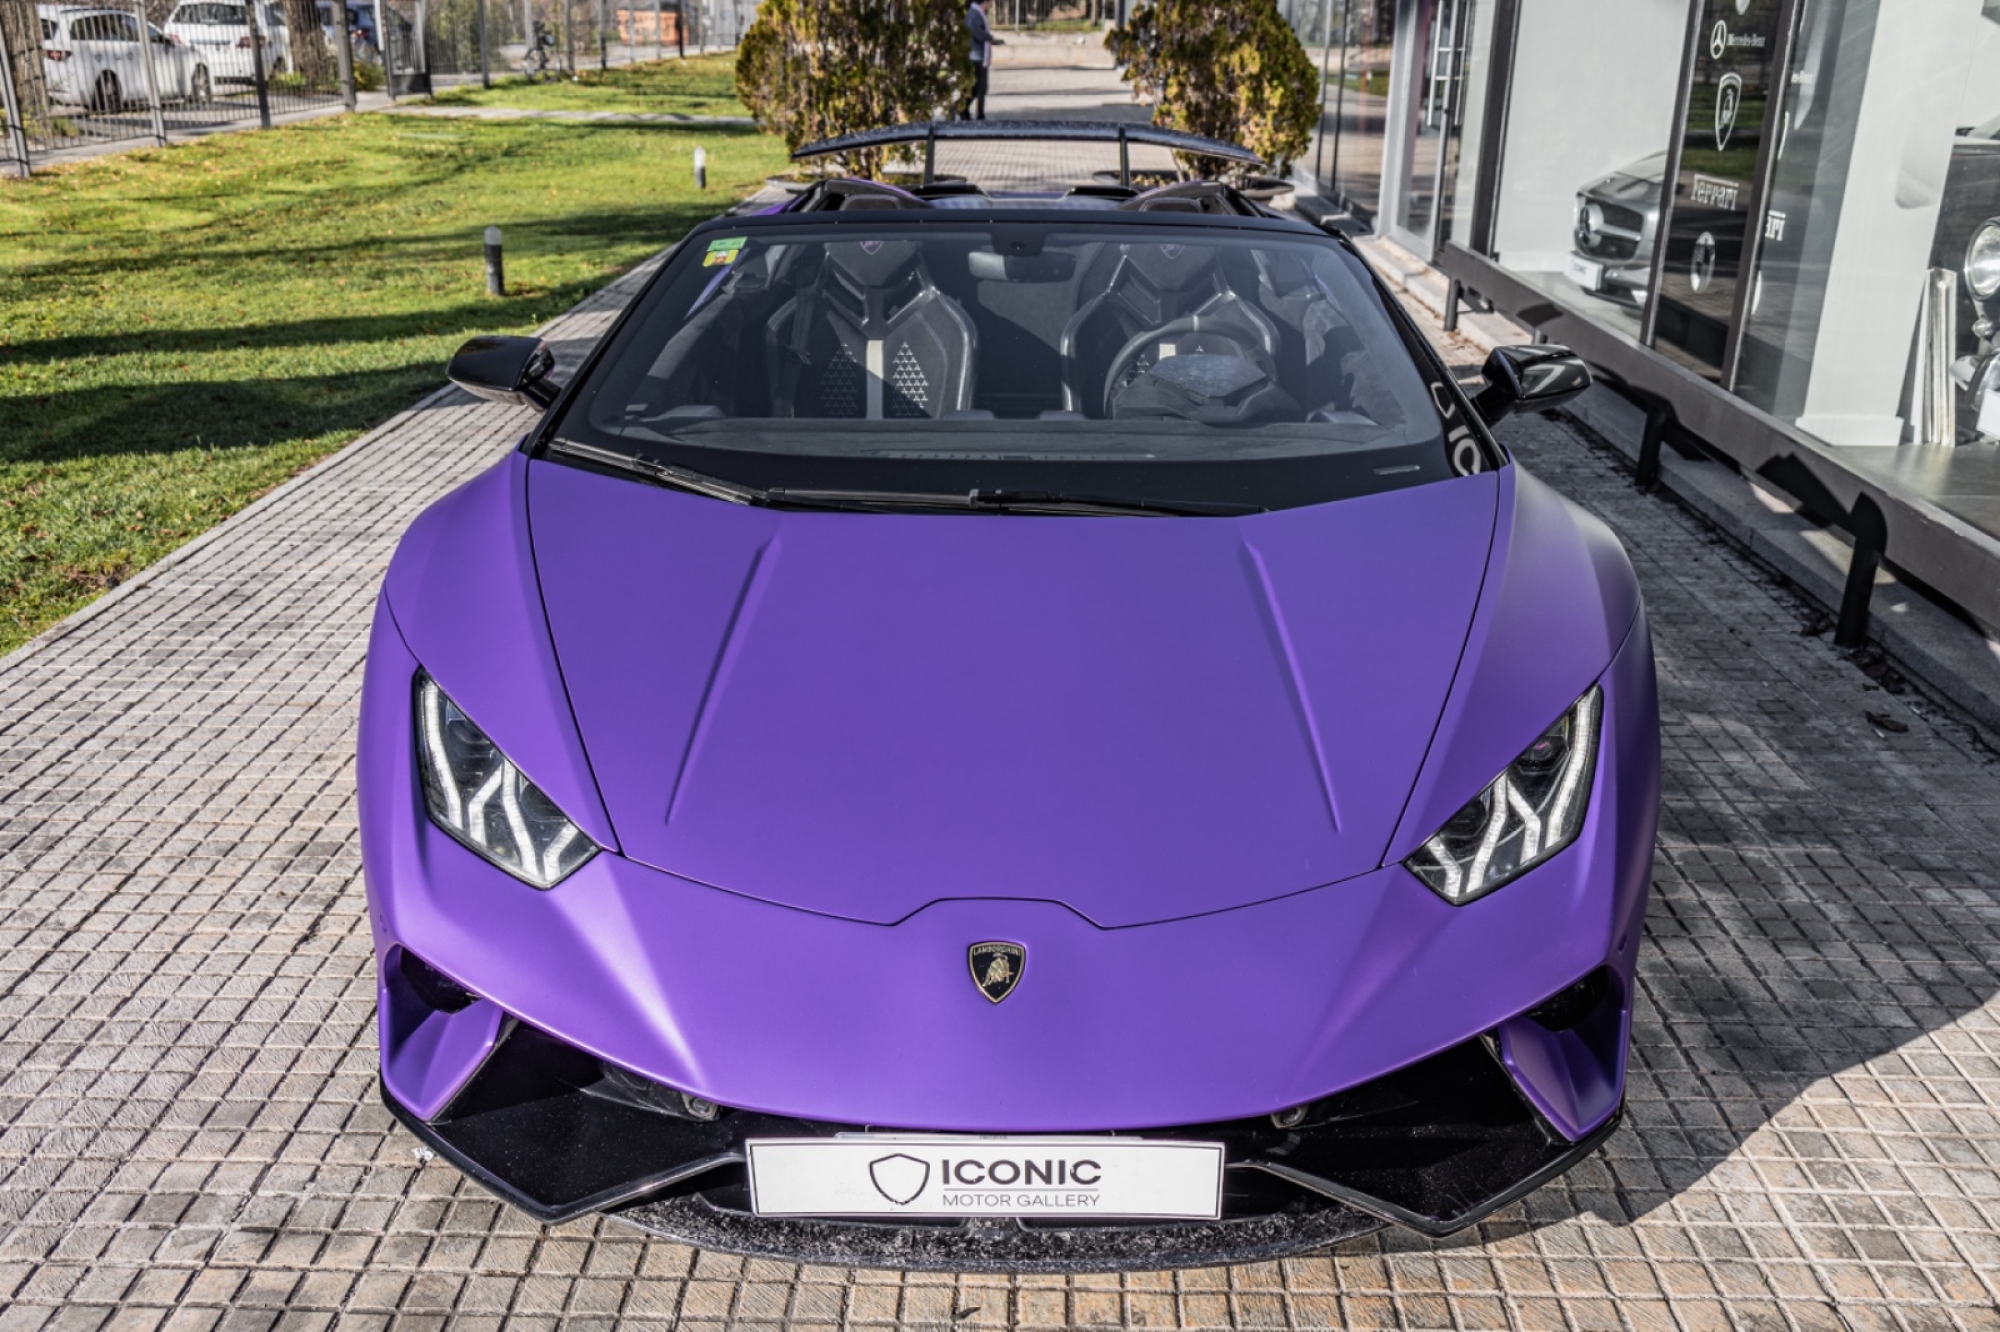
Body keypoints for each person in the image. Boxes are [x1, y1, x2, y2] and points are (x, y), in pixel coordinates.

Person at [963, 0, 1002, 120]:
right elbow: (975, 31)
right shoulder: (974, 13)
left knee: (979, 87)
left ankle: (965, 110)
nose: (990, 6)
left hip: (978, 54)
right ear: (984, 2)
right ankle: (971, 112)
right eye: (990, 3)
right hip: (976, 55)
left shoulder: (977, 13)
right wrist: (989, 38)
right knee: (980, 87)